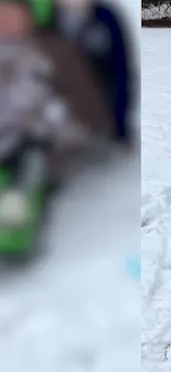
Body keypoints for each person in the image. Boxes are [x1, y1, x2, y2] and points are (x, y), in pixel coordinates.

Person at [0, 0, 112, 227]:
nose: (6, 23)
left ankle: (18, 207)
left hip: (34, 133)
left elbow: (84, 102)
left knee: (31, 160)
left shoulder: (54, 51)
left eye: (13, 16)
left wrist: (60, 124)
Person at [52, 0, 134, 145]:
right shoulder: (48, 19)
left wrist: (120, 124)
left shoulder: (106, 18)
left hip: (101, 115)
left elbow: (121, 71)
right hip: (57, 118)